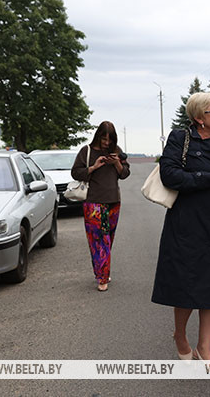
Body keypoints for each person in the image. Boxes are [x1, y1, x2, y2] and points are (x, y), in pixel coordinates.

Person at [151, 92, 210, 361]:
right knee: (185, 287)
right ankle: (180, 335)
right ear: (199, 118)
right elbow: (169, 175)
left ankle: (204, 347)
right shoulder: (180, 139)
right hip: (185, 225)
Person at [71, 120, 130, 292]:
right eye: (104, 139)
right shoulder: (86, 151)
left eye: (109, 140)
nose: (106, 143)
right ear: (98, 136)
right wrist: (93, 167)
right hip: (93, 203)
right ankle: (102, 277)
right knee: (98, 241)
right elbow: (75, 172)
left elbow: (125, 174)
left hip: (113, 201)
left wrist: (117, 163)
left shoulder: (116, 151)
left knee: (108, 240)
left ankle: (102, 270)